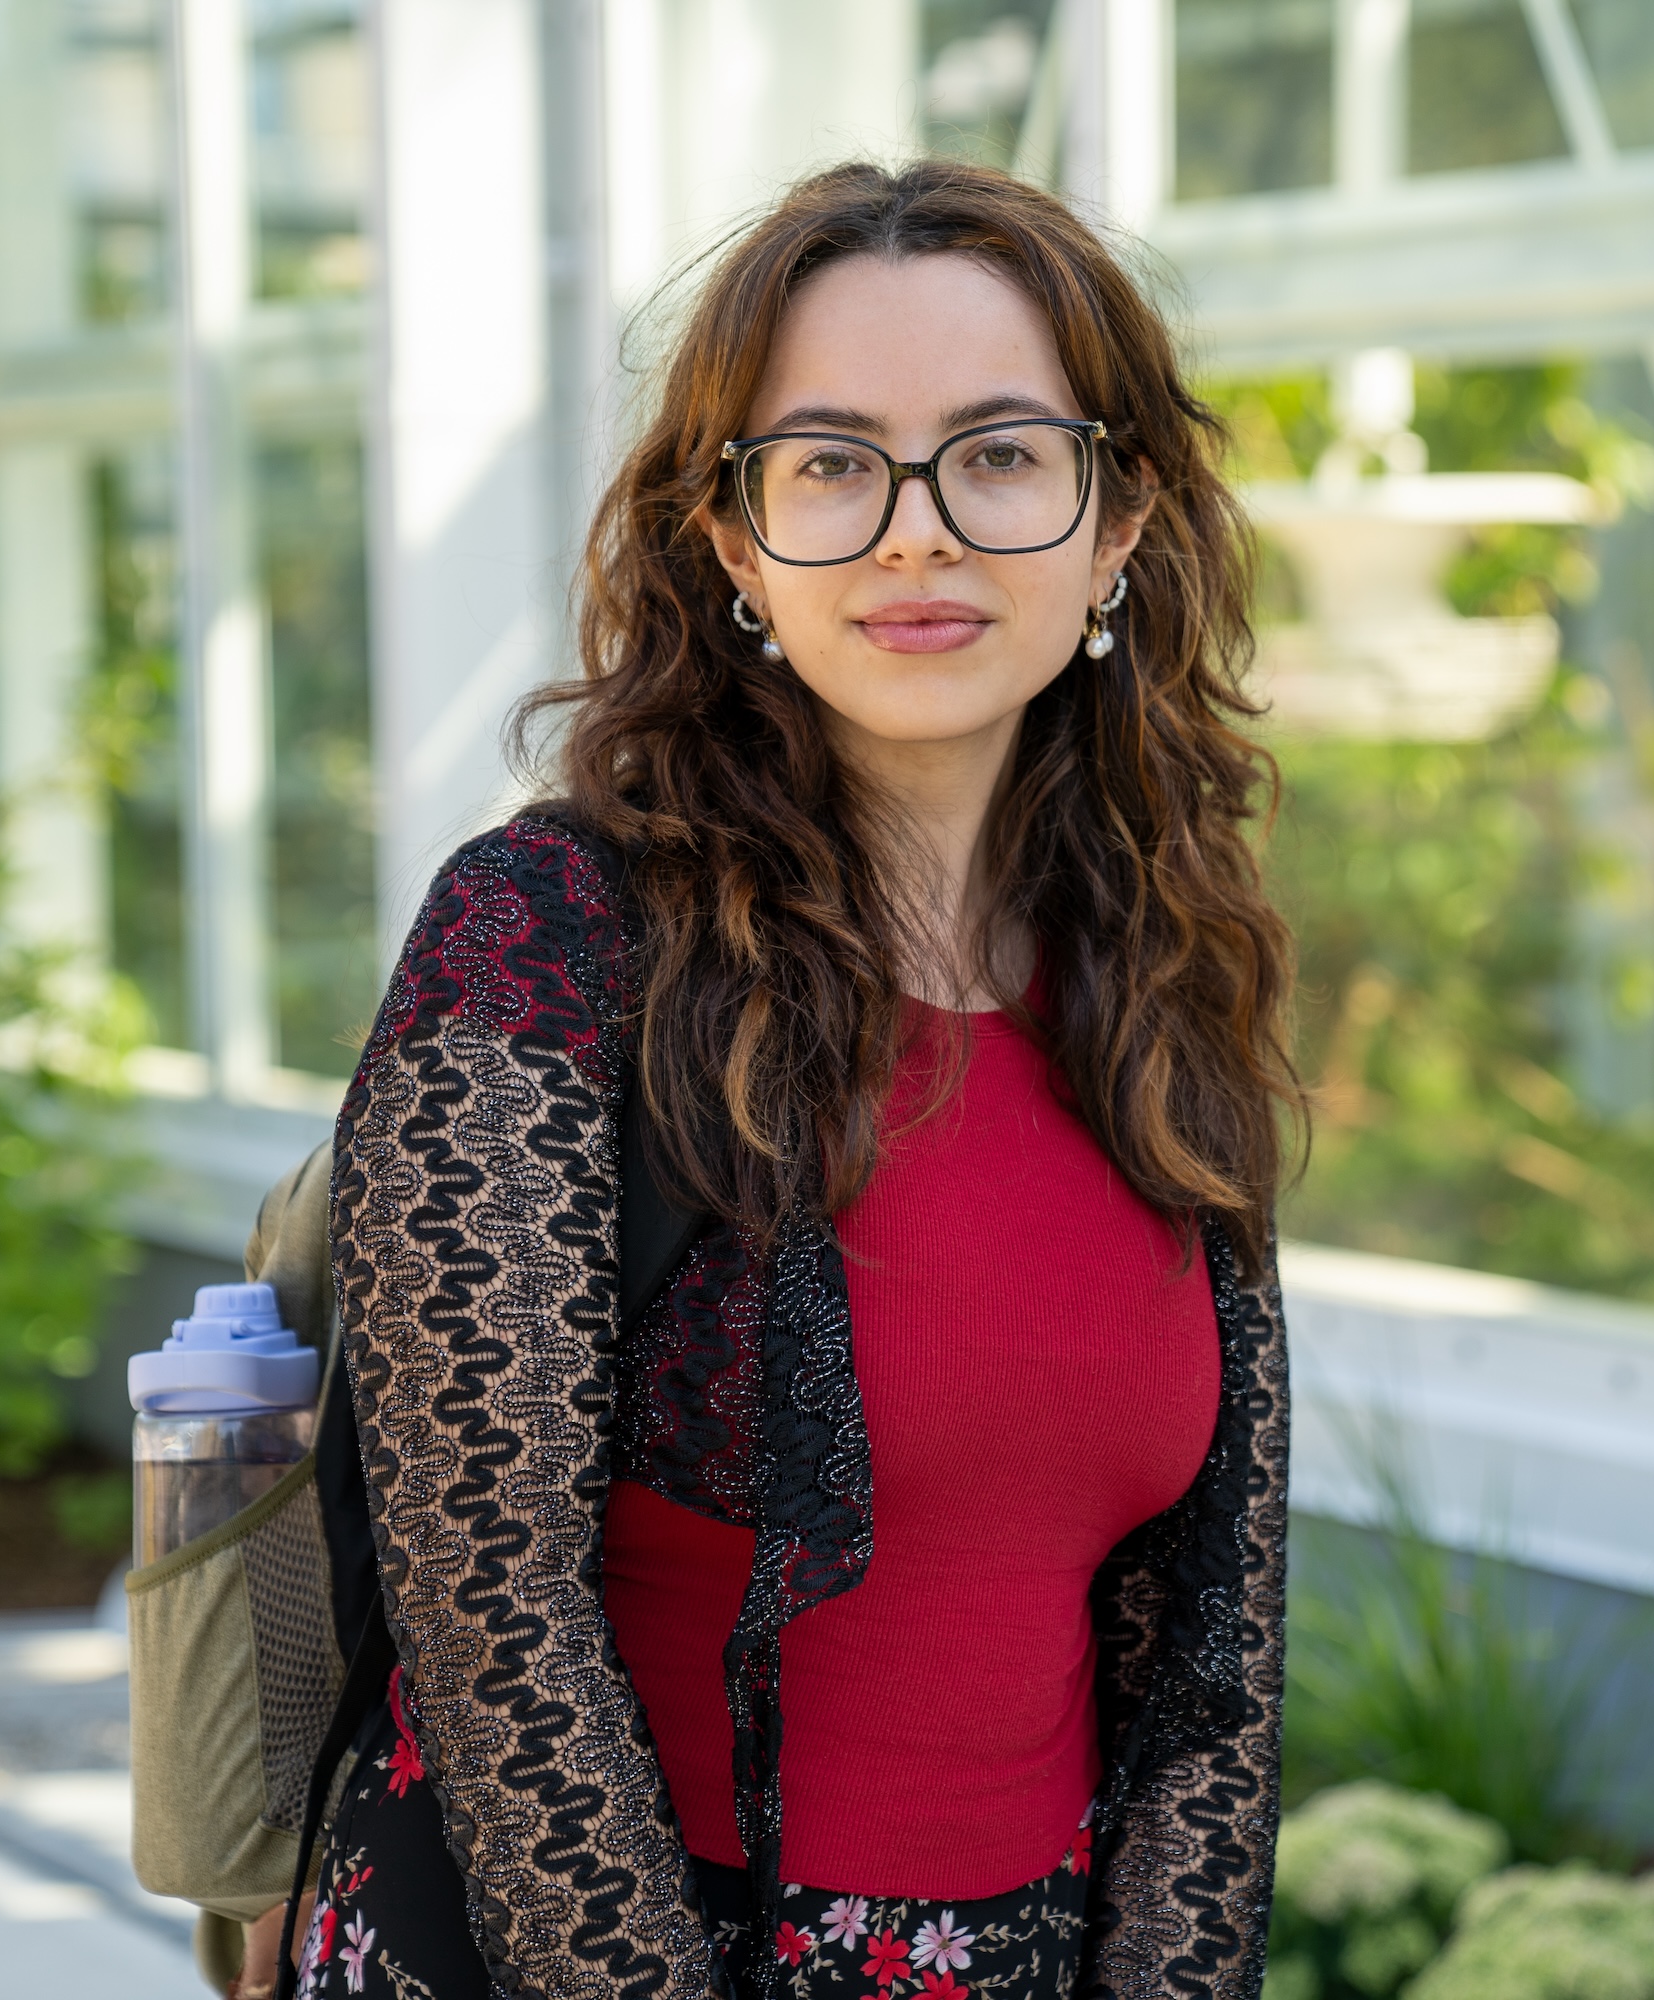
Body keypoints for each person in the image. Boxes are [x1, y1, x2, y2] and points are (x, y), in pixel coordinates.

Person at [281, 157, 1300, 2000]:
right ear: (737, 545)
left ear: (1119, 519)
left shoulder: (1162, 972)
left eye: (998, 453)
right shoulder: (548, 940)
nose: (917, 533)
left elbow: (1214, 1650)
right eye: (831, 463)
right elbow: (491, 1620)